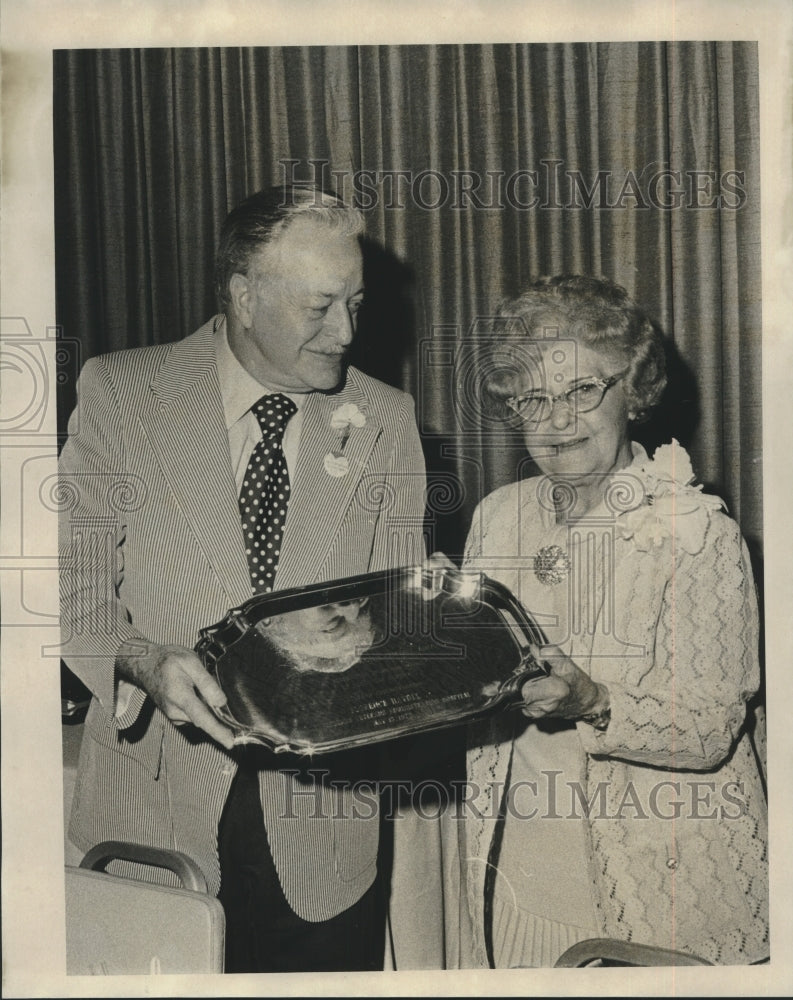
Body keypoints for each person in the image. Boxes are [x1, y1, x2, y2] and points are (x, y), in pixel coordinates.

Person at [58, 185, 427, 972]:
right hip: (154, 818)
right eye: (321, 306)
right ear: (242, 293)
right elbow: (69, 593)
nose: (347, 333)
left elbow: (400, 619)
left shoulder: (387, 419)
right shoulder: (122, 394)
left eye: (357, 303)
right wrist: (142, 660)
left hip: (323, 831)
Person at [435, 274, 768, 968]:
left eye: (583, 391)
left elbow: (708, 729)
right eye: (534, 398)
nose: (558, 421)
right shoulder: (500, 514)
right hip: (510, 866)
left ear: (633, 390)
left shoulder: (695, 531)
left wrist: (592, 701)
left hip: (649, 881)